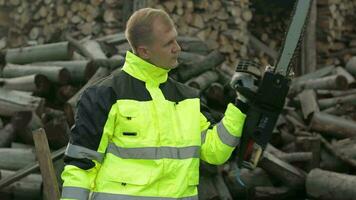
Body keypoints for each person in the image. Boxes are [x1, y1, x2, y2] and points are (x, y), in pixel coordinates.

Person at [61, 8, 246, 200]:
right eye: (168, 44)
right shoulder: (104, 96)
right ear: (144, 51)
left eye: (176, 39)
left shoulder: (188, 99)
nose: (177, 48)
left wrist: (241, 106)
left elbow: (215, 152)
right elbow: (80, 166)